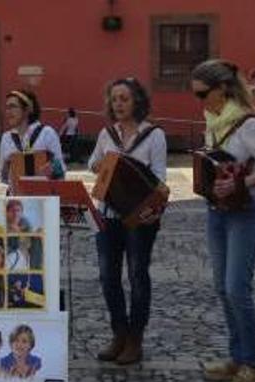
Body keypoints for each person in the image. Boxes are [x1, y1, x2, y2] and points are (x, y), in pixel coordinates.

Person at [191, 59, 255, 382]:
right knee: (221, 286)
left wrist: (243, 183)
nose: (199, 101)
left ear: (222, 89)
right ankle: (236, 356)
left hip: (249, 210)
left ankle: (252, 365)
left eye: (203, 94)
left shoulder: (249, 124)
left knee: (237, 287)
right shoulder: (214, 120)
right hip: (218, 210)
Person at [88, 77, 168, 365]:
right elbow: (92, 163)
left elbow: (160, 177)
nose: (118, 104)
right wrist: (98, 165)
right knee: (108, 277)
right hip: (108, 214)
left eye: (124, 98)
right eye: (114, 99)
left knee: (137, 275)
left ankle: (135, 338)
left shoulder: (154, 135)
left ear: (137, 101)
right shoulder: (106, 134)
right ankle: (118, 333)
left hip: (139, 217)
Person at [0, 89, 65, 188]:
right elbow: (3, 178)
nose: (8, 111)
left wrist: (53, 169)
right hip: (17, 198)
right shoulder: (6, 138)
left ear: (27, 109)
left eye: (13, 106)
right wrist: (5, 169)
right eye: (7, 107)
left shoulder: (47, 133)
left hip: (43, 197)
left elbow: (61, 169)